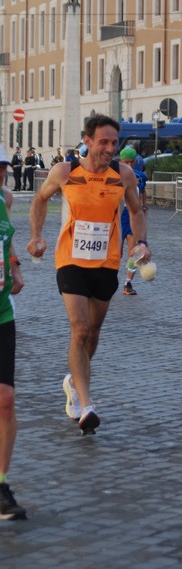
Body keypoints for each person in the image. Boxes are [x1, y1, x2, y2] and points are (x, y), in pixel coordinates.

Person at [27, 114, 150, 434]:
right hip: (70, 260)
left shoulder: (123, 175)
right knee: (80, 328)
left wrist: (142, 242)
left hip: (107, 263)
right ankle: (85, 404)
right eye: (104, 142)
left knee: (93, 332)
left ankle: (73, 380)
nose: (110, 148)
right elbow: (40, 199)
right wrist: (36, 235)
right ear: (87, 140)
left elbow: (136, 211)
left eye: (114, 142)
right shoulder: (66, 171)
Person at [0, 146, 26, 519]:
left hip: (2, 313)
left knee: (5, 400)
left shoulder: (3, 199)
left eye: (2, 168)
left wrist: (15, 267)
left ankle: (1, 484)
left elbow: (5, 241)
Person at [119, 146, 148, 296]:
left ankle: (127, 283)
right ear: (120, 161)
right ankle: (108, 280)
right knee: (115, 253)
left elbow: (143, 192)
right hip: (118, 216)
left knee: (134, 251)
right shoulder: (113, 176)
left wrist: (144, 207)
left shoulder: (140, 176)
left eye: (132, 162)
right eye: (126, 162)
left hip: (133, 216)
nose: (129, 165)